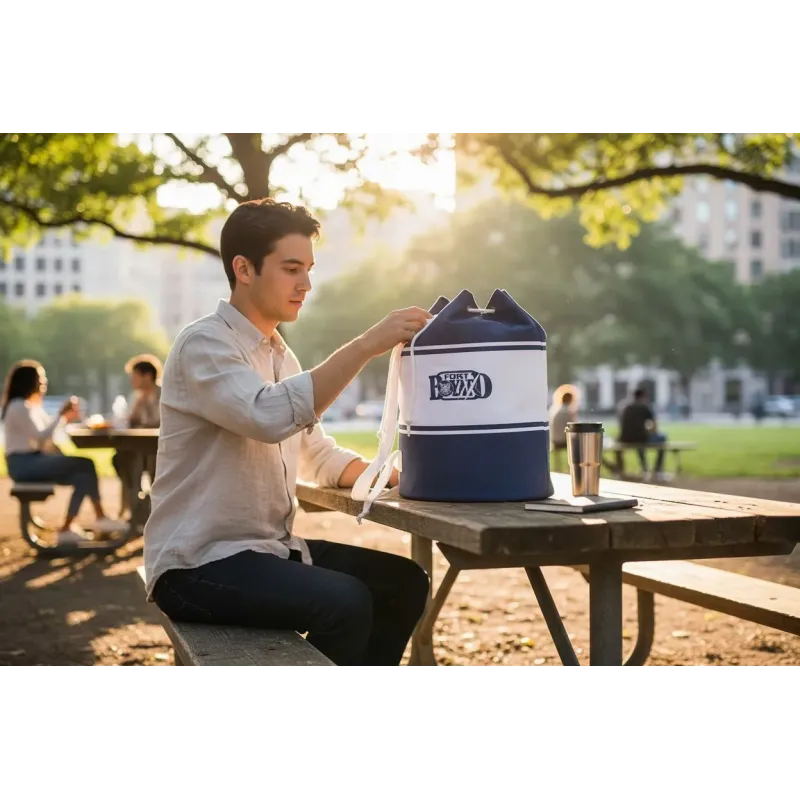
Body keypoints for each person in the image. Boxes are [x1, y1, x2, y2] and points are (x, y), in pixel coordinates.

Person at [144, 198, 432, 670]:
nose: (306, 284)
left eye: (310, 269)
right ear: (244, 268)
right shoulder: (205, 344)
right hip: (196, 566)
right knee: (345, 602)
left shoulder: (283, 357)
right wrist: (366, 345)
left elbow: (316, 454)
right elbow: (268, 416)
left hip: (268, 552)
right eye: (291, 268)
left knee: (404, 581)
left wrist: (396, 476)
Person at [1, 360, 128, 545]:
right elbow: (41, 437)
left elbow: (46, 433)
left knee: (83, 477)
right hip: (24, 464)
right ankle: (101, 518)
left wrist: (64, 417)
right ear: (29, 381)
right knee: (85, 464)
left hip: (31, 460)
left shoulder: (29, 406)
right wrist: (61, 414)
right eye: (40, 378)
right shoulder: (18, 406)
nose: (43, 382)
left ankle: (67, 529)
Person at [112, 354, 162, 517]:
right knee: (121, 458)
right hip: (144, 448)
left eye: (135, 377)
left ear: (147, 376)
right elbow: (132, 423)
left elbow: (161, 424)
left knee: (145, 460)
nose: (132, 381)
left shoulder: (164, 395)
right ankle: (135, 508)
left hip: (161, 450)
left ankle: (150, 509)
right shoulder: (138, 397)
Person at [618, 387, 668, 479]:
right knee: (662, 438)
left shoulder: (626, 408)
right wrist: (650, 432)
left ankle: (645, 467)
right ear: (644, 396)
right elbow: (654, 426)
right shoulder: (645, 407)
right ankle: (657, 469)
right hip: (640, 438)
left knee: (639, 441)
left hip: (625, 438)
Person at [548, 386, 578, 471]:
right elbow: (574, 429)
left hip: (554, 440)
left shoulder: (554, 409)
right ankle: (576, 469)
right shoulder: (568, 411)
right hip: (564, 441)